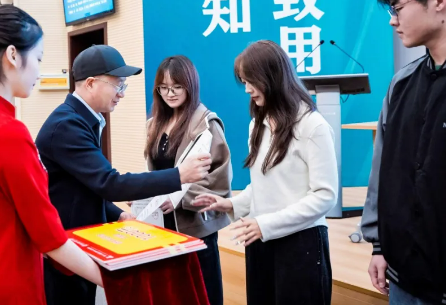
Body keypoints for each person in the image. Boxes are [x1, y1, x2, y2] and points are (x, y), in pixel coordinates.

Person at [0, 5, 103, 304]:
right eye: (38, 59)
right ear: (13, 55)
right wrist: (116, 280)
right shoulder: (7, 133)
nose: (39, 72)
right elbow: (50, 238)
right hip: (11, 287)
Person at [36, 44, 212, 305]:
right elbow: (110, 183)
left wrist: (117, 214)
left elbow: (85, 185)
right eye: (117, 85)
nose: (122, 93)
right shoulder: (68, 125)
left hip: (78, 241)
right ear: (91, 83)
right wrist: (179, 176)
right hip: (65, 248)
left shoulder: (83, 119)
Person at [193, 40, 338, 305]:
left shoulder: (313, 126)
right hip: (260, 240)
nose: (247, 89)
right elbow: (264, 184)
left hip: (300, 244)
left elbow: (324, 196)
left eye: (251, 81)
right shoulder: (257, 125)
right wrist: (231, 204)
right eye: (243, 82)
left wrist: (266, 225)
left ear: (272, 77)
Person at [361, 0, 446, 305]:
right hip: (404, 275)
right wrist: (379, 245)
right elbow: (384, 170)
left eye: (397, 8)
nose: (392, 21)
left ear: (439, 0)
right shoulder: (401, 84)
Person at [145, 55, 232, 305]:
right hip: (161, 225)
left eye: (176, 87)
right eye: (163, 88)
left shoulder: (206, 125)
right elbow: (156, 173)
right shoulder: (153, 125)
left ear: (190, 85)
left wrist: (179, 199)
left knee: (201, 295)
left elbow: (220, 179)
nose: (169, 93)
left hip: (194, 228)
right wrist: (143, 192)